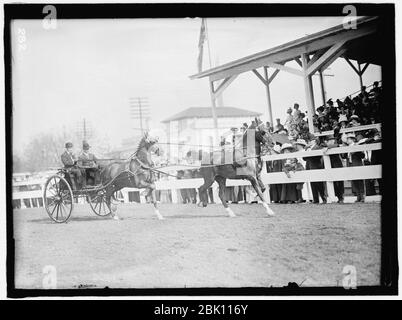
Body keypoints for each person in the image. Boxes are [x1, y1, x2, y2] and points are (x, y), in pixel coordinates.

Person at [303, 137, 327, 204]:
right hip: (309, 167)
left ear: (314, 141)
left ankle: (324, 198)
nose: (309, 142)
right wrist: (306, 150)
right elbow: (304, 158)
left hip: (316, 167)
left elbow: (318, 156)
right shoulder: (308, 149)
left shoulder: (318, 147)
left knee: (320, 184)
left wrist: (310, 153)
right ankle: (315, 199)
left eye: (310, 140)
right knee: (313, 184)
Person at [323, 135, 345, 203]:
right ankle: (338, 196)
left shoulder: (335, 146)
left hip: (337, 165)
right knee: (334, 183)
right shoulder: (324, 147)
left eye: (333, 140)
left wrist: (328, 147)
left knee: (340, 182)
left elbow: (337, 145)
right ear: (327, 141)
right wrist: (326, 147)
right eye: (330, 140)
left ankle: (341, 197)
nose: (332, 141)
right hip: (330, 166)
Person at [345, 133, 365, 202]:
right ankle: (358, 196)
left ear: (352, 139)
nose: (347, 140)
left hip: (357, 164)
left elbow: (363, 155)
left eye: (348, 139)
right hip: (350, 165)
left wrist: (356, 150)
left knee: (359, 181)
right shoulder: (347, 147)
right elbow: (344, 156)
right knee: (354, 181)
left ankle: (362, 196)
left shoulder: (357, 146)